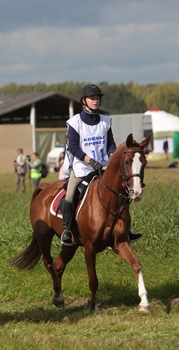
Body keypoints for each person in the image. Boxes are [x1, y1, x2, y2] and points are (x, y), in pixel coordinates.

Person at [61, 84, 142, 245]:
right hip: (82, 168)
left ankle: (125, 229)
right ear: (84, 101)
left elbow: (110, 143)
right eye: (92, 98)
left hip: (104, 167)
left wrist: (112, 154)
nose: (96, 101)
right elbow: (73, 147)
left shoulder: (105, 121)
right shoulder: (74, 123)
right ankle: (66, 230)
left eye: (97, 98)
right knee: (70, 195)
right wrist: (89, 160)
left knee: (121, 191)